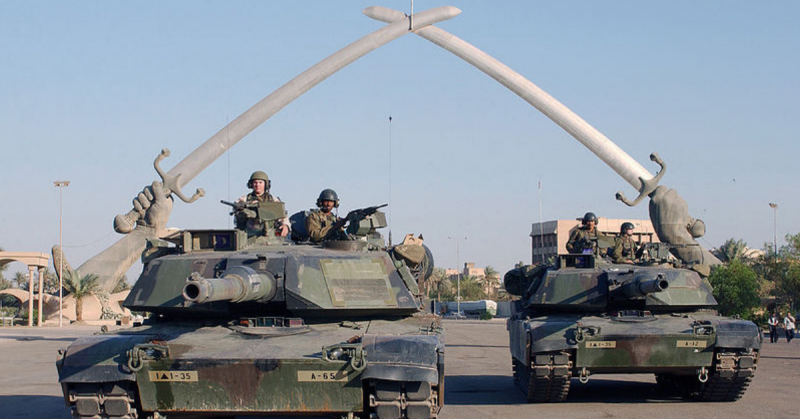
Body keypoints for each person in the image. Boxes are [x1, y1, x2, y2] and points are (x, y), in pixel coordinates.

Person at [235, 171, 289, 237]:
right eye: (255, 182)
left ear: (266, 184)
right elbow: (237, 209)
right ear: (251, 184)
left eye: (260, 183)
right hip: (249, 236)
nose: (257, 185)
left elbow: (283, 216)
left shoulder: (273, 200)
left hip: (270, 236)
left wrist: (285, 225)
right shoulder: (245, 199)